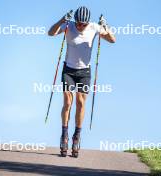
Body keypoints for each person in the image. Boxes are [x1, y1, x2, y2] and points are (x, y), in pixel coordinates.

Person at [48, 6, 116, 157]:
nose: (80, 26)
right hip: (69, 70)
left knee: (80, 102)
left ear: (87, 23)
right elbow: (50, 33)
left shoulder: (94, 27)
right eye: (78, 23)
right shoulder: (68, 26)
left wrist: (106, 26)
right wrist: (62, 20)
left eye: (83, 24)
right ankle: (64, 135)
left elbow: (112, 40)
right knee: (67, 101)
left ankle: (76, 136)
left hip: (84, 72)